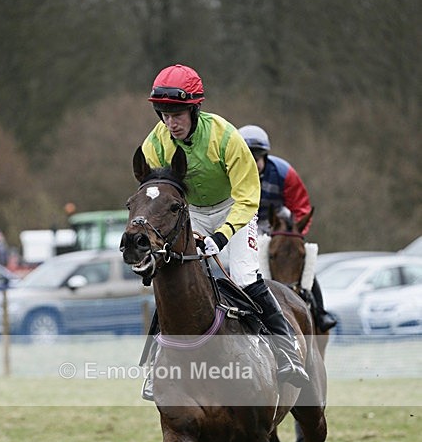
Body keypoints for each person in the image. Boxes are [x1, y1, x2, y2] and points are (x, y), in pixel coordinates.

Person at [140, 64, 309, 399]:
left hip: (235, 209)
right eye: (164, 115)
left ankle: (287, 349)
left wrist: (221, 236)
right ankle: (155, 362)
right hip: (191, 214)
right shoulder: (154, 145)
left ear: (194, 109)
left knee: (245, 276)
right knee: (173, 279)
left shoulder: (226, 137)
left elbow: (249, 197)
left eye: (177, 115)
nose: (171, 123)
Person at [239, 124, 337, 333]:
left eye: (256, 160)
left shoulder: (283, 172)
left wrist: (295, 234)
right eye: (248, 160)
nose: (253, 165)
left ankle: (320, 312)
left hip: (277, 223)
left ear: (264, 156)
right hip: (243, 222)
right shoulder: (230, 174)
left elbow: (301, 206)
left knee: (303, 260)